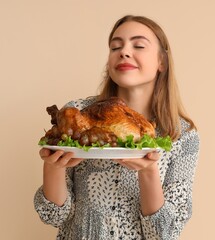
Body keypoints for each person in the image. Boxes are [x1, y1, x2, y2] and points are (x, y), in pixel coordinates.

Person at [34, 15, 200, 240]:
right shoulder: (77, 113)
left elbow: (164, 234)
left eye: (138, 45)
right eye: (115, 46)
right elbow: (53, 215)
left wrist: (148, 171)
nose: (124, 52)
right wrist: (53, 167)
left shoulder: (182, 134)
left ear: (162, 62)